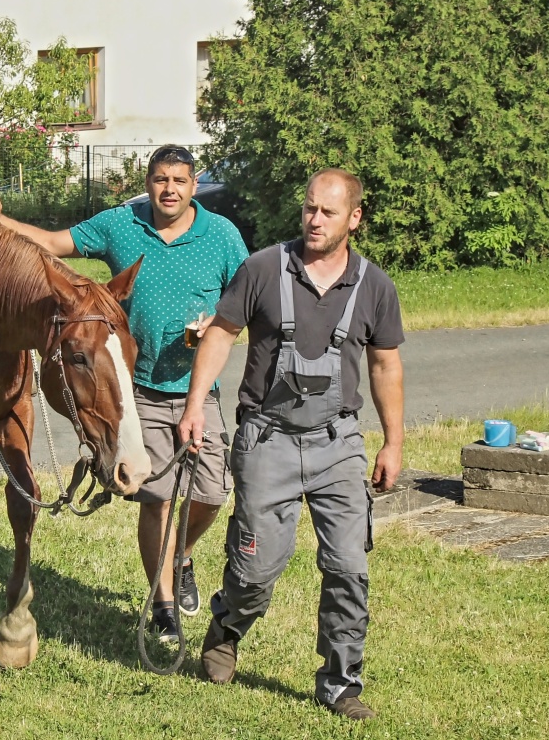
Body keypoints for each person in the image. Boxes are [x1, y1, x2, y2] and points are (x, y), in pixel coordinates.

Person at [0, 145, 249, 644]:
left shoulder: (222, 236)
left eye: (179, 181)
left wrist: (220, 324)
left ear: (194, 185)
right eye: (160, 179)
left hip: (196, 389)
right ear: (148, 182)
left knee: (212, 493)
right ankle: (163, 609)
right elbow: (52, 243)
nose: (169, 190)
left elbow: (245, 300)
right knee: (156, 498)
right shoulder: (122, 224)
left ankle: (180, 556)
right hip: (133, 388)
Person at [177, 168, 405, 721]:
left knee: (348, 567)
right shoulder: (262, 269)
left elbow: (385, 366)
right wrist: (194, 404)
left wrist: (393, 442)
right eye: (309, 208)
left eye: (328, 212)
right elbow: (221, 335)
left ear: (354, 218)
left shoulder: (375, 286)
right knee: (256, 571)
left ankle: (340, 684)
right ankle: (228, 625)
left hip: (338, 444)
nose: (314, 220)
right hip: (267, 439)